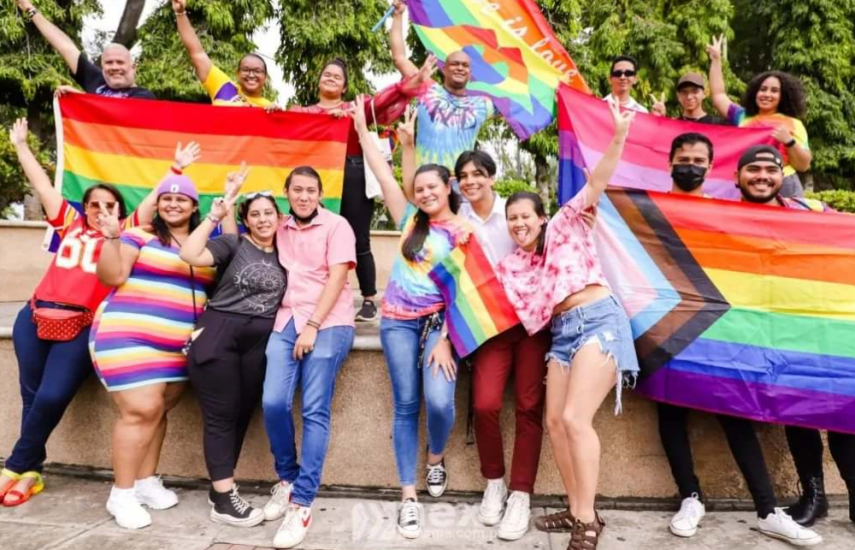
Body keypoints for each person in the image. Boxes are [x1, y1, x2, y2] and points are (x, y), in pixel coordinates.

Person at [0, 119, 197, 507]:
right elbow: (42, 186)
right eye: (94, 204)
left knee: (52, 396)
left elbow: (157, 199)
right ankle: (30, 474)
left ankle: (14, 465)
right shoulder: (70, 224)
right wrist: (22, 146)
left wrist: (176, 170)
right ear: (84, 207)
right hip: (34, 316)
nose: (101, 210)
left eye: (109, 205)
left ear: (120, 210)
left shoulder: (124, 232)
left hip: (81, 324)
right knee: (32, 396)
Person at [650, 140, 823, 546]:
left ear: (711, 168)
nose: (690, 167)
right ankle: (690, 497)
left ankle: (767, 510)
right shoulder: (650, 208)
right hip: (672, 323)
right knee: (670, 408)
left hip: (724, 328)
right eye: (684, 161)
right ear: (670, 163)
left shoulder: (723, 214)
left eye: (698, 161)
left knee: (733, 410)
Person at [495, 100, 637, 550]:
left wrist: (617, 135)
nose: (519, 224)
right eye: (511, 218)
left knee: (577, 419)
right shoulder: (515, 265)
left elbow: (596, 183)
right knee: (555, 421)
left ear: (540, 217)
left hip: (597, 320)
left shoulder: (566, 223)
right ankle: (581, 509)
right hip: (562, 335)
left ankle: (587, 525)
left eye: (525, 216)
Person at [356, 97, 469, 539]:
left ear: (448, 187)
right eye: (418, 188)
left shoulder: (465, 232)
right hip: (397, 323)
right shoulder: (407, 221)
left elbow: (466, 293)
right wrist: (363, 131)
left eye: (431, 188)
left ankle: (436, 458)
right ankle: (408, 496)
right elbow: (383, 173)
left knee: (440, 402)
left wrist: (446, 337)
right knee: (405, 404)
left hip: (440, 324)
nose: (423, 193)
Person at [734, 144, 855, 531]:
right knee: (798, 415)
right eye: (752, 169)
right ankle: (814, 497)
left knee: (843, 417)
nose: (762, 176)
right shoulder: (724, 218)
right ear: (738, 177)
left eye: (769, 170)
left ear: (781, 174)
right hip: (770, 332)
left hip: (821, 325)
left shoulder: (813, 211)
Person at [91, 175, 216, 530]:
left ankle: (146, 482)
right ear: (158, 204)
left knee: (158, 410)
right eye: (166, 199)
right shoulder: (139, 234)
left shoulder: (204, 242)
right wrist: (112, 237)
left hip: (178, 345)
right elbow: (112, 276)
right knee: (142, 408)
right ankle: (122, 493)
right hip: (127, 335)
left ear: (195, 207)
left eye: (182, 200)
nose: (173, 205)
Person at [288, 55, 434, 322]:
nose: (330, 78)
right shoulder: (302, 112)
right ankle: (315, 294)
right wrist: (273, 111)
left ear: (344, 87)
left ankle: (368, 299)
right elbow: (280, 131)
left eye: (337, 76)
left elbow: (385, 98)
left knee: (358, 238)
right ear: (318, 81)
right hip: (315, 182)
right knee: (314, 237)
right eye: (326, 74)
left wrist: (415, 79)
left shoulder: (356, 108)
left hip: (352, 176)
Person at [179, 168, 288, 527]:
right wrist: (216, 214)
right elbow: (190, 254)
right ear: (245, 220)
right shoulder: (233, 244)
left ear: (279, 216)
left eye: (268, 212)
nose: (262, 219)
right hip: (219, 335)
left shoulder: (288, 253)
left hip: (257, 344)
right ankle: (225, 501)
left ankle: (219, 488)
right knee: (221, 416)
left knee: (241, 413)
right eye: (254, 213)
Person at [451, 150, 550, 540]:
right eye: (464, 175)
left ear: (493, 177)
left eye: (479, 173)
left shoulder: (517, 212)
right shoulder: (459, 220)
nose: (519, 223)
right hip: (490, 326)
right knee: (485, 404)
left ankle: (521, 493)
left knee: (529, 407)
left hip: (533, 327)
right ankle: (494, 481)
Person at [258, 167, 356, 549]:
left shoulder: (337, 226)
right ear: (286, 192)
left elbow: (336, 278)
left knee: (315, 408)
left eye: (310, 190)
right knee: (272, 402)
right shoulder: (278, 226)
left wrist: (314, 324)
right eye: (296, 190)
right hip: (286, 319)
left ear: (319, 194)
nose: (303, 196)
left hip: (328, 321)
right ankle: (287, 479)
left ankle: (302, 502)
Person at [390, 0, 497, 172]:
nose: (460, 68)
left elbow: (517, 105)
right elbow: (399, 58)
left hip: (462, 187)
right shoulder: (426, 87)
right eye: (454, 64)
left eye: (465, 65)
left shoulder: (482, 105)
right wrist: (398, 16)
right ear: (444, 69)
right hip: (426, 185)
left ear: (470, 74)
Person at [707, 36, 810, 198]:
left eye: (774, 91)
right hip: (749, 185)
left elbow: (803, 165)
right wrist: (716, 60)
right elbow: (719, 96)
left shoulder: (793, 124)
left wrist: (789, 142)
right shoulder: (743, 117)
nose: (767, 94)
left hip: (784, 186)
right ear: (755, 92)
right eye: (763, 89)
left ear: (784, 96)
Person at [14, 0, 155, 99]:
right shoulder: (97, 81)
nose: (114, 67)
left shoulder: (143, 97)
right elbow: (65, 47)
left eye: (120, 62)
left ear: (133, 67)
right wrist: (29, 8)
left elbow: (118, 116)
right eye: (109, 62)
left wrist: (79, 98)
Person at [171, 0, 271, 107]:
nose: (251, 75)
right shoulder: (223, 86)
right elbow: (197, 54)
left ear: (265, 77)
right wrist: (180, 13)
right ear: (237, 73)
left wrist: (274, 114)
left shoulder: (270, 108)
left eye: (257, 71)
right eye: (246, 70)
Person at [651, 73, 727, 124]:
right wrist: (658, 121)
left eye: (695, 91)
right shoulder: (673, 126)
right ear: (678, 97)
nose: (689, 97)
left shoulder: (717, 124)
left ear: (704, 94)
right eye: (684, 92)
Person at [668, 133, 714, 197]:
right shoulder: (650, 205)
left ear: (709, 168)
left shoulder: (720, 207)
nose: (691, 166)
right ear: (670, 165)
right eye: (683, 160)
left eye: (699, 161)